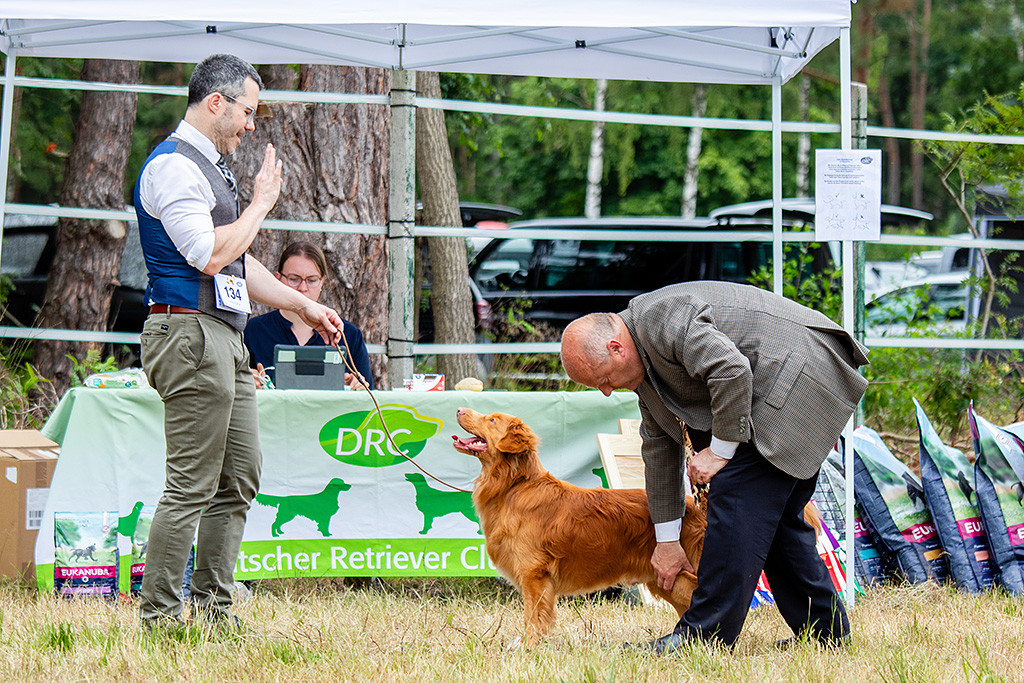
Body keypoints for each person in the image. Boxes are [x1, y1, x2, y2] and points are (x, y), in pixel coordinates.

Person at [134, 53, 343, 630]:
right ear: (215, 102)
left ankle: (214, 606)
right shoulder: (173, 167)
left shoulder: (210, 165)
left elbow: (237, 265)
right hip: (187, 332)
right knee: (192, 483)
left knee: (240, 475)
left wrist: (304, 304)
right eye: (247, 112)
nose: (251, 125)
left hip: (223, 334)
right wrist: (259, 204)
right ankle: (161, 617)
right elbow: (210, 254)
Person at [560, 281, 868, 654]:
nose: (606, 391)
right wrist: (668, 541)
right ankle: (826, 631)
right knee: (777, 522)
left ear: (616, 348)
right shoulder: (643, 371)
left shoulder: (662, 319)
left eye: (603, 379)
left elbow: (732, 370)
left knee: (736, 499)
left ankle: (704, 637)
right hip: (780, 381)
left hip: (800, 372)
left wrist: (719, 452)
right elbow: (659, 452)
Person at [244, 241, 374, 390]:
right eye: (294, 279)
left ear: (322, 282)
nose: (303, 288)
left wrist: (360, 387)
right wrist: (247, 380)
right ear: (277, 279)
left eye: (312, 280)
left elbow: (369, 400)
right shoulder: (253, 330)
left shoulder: (347, 334)